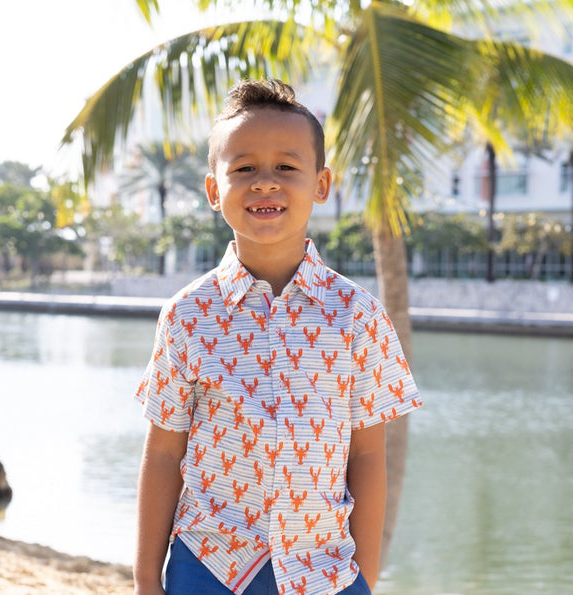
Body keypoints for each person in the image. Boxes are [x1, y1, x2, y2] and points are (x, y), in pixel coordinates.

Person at [133, 78, 422, 595]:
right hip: (209, 566)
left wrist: (364, 577)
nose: (265, 183)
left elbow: (367, 456)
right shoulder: (187, 315)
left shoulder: (358, 316)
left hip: (324, 569)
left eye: (287, 167)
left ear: (321, 184)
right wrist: (145, 581)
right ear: (213, 190)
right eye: (244, 168)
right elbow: (163, 455)